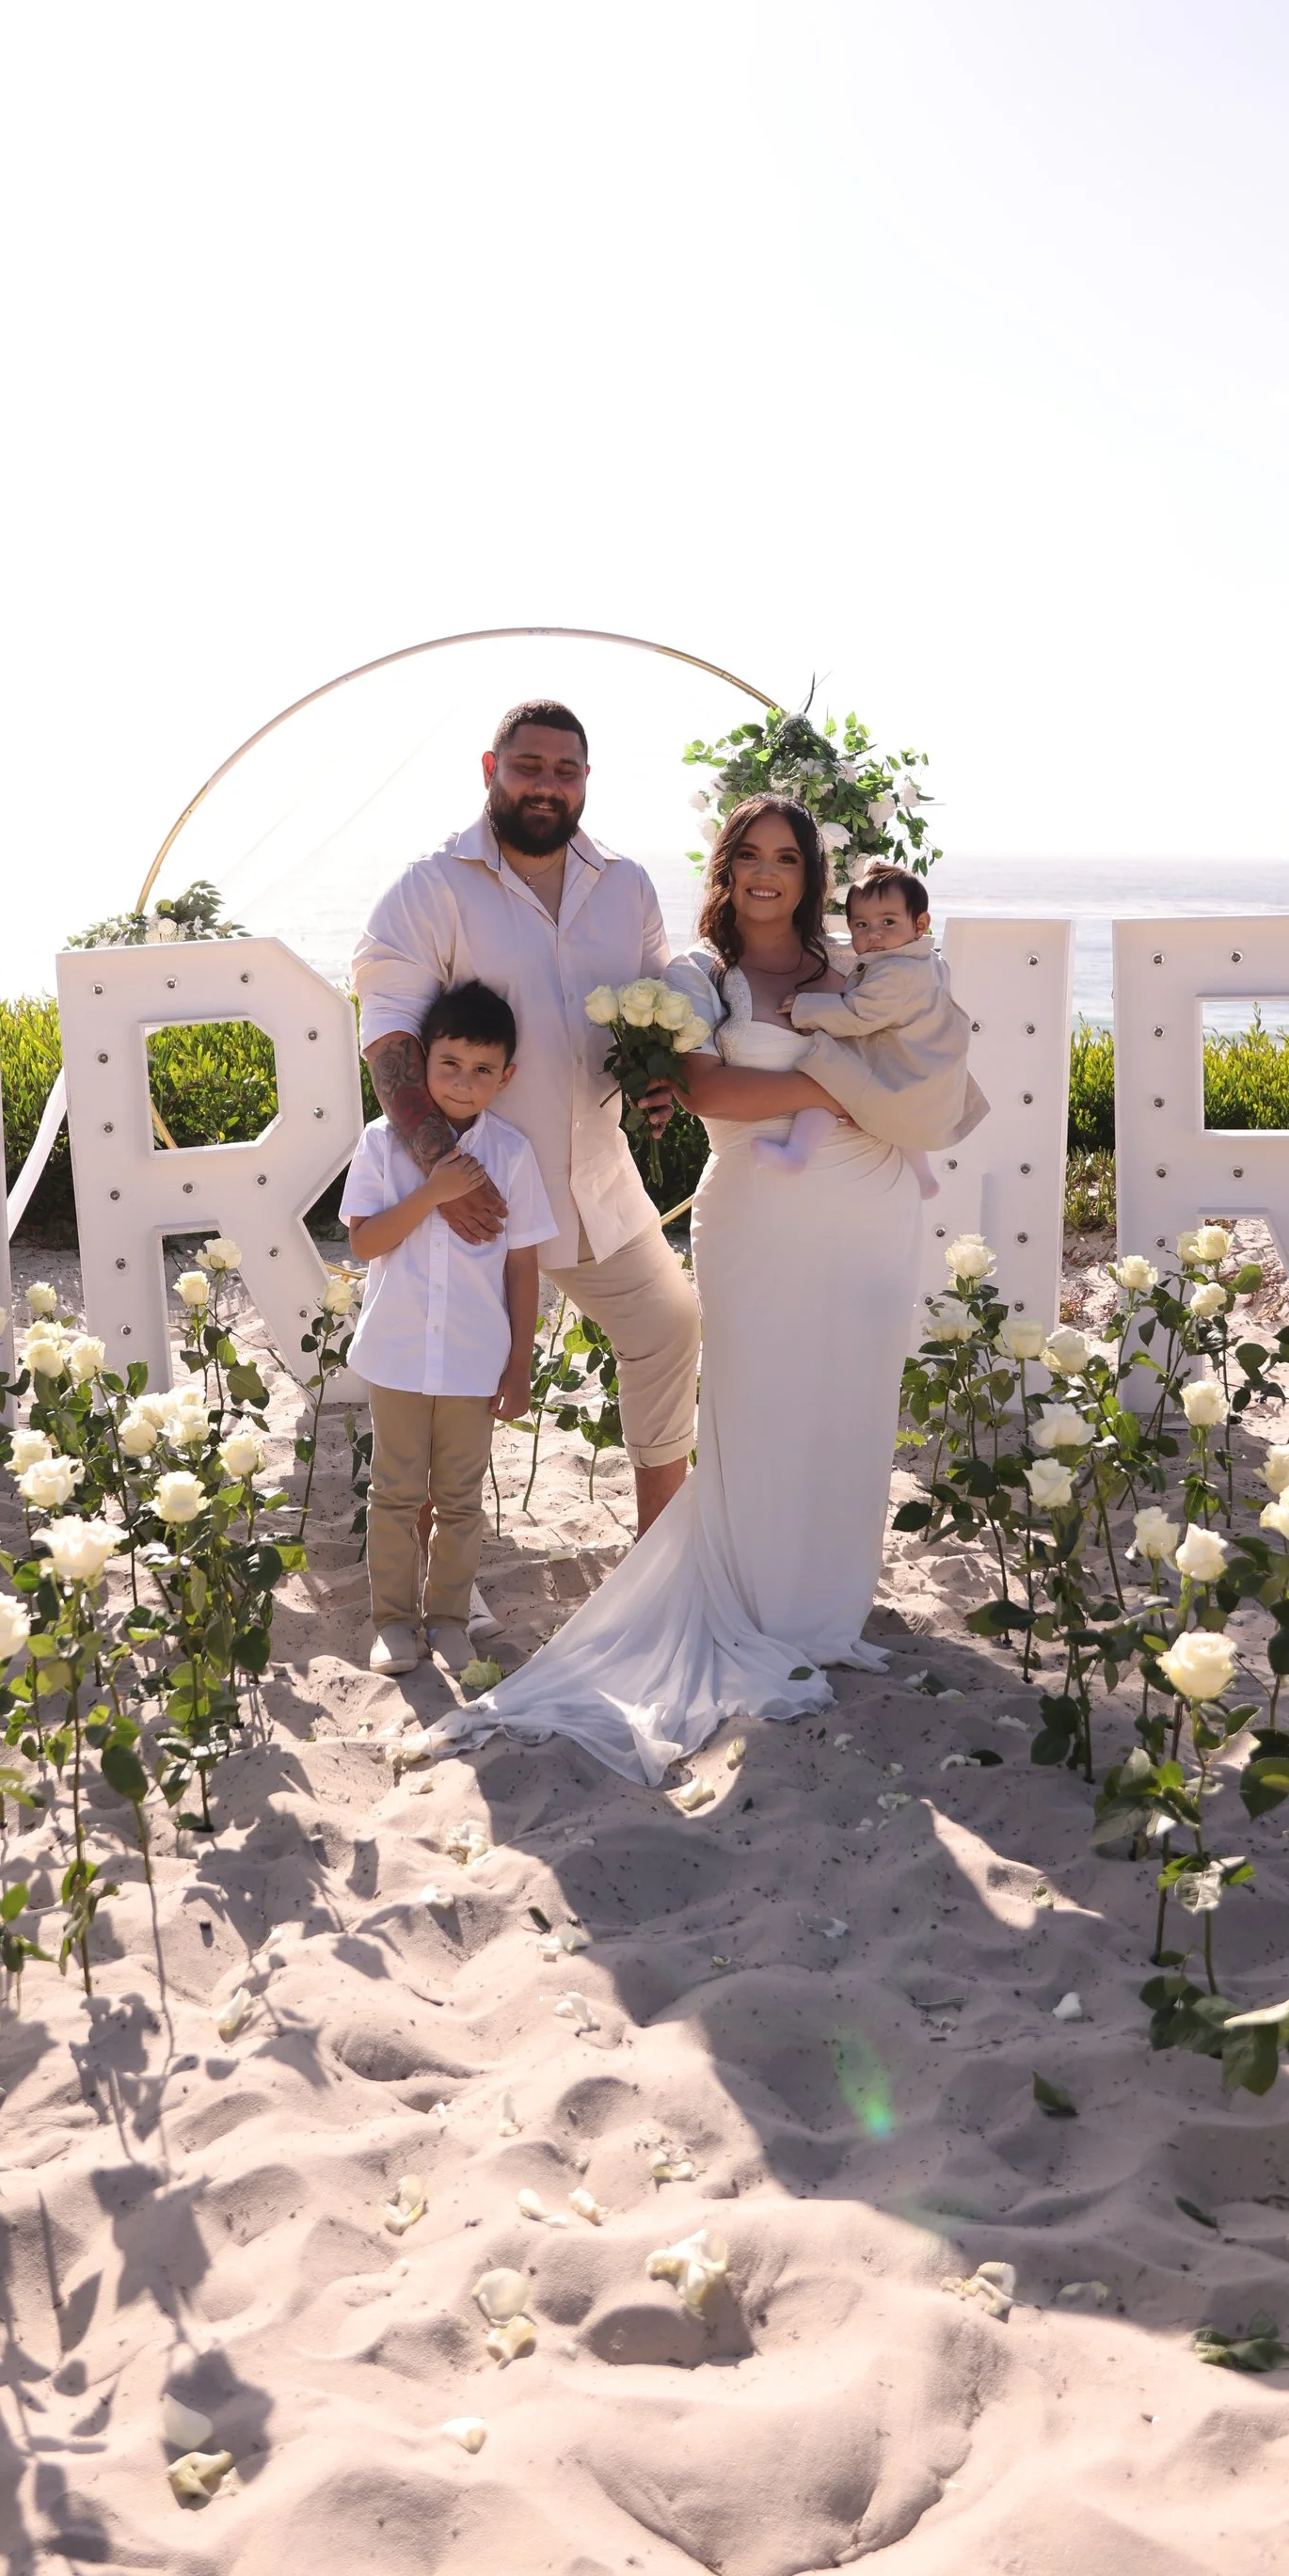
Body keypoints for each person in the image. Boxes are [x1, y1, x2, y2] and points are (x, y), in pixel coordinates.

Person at [428, 794, 985, 1785]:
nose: (769, 874)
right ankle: (757, 1598)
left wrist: (861, 1089)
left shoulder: (855, 964)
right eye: (751, 856)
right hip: (758, 1220)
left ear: (812, 874)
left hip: (869, 1208)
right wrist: (835, 1088)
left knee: (851, 1402)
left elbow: (926, 1065)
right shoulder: (700, 974)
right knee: (758, 1403)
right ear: (725, 868)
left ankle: (829, 1602)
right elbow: (706, 1090)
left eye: (788, 858)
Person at [351, 699, 702, 1543]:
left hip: (596, 1184)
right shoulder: (429, 887)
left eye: (566, 770)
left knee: (668, 1326)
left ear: (586, 780)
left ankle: (660, 1559)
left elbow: (652, 1009)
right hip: (478, 1196)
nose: (548, 785)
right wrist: (449, 1175)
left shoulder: (627, 885)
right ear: (489, 769)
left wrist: (661, 1078)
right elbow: (391, 1038)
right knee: (444, 1383)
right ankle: (421, 1579)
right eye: (529, 766)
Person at [340, 980, 556, 1676]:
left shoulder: (514, 1153)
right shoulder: (380, 1144)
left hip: (473, 1358)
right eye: (449, 1064)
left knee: (462, 1499)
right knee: (395, 1492)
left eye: (483, 1070)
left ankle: (450, 1619)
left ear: (507, 1076)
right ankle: (394, 1623)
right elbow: (365, 1244)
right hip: (398, 1354)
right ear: (422, 1060)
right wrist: (434, 1191)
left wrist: (519, 1365)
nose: (464, 1084)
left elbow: (523, 1268)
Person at [754, 865, 948, 1176]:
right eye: (861, 924)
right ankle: (924, 1177)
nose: (873, 934)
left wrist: (807, 1008)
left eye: (888, 921)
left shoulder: (896, 970)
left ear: (920, 924)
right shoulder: (927, 960)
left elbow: (860, 1013)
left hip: (898, 1063)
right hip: (915, 1065)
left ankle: (797, 1153)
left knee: (827, 1077)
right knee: (898, 1116)